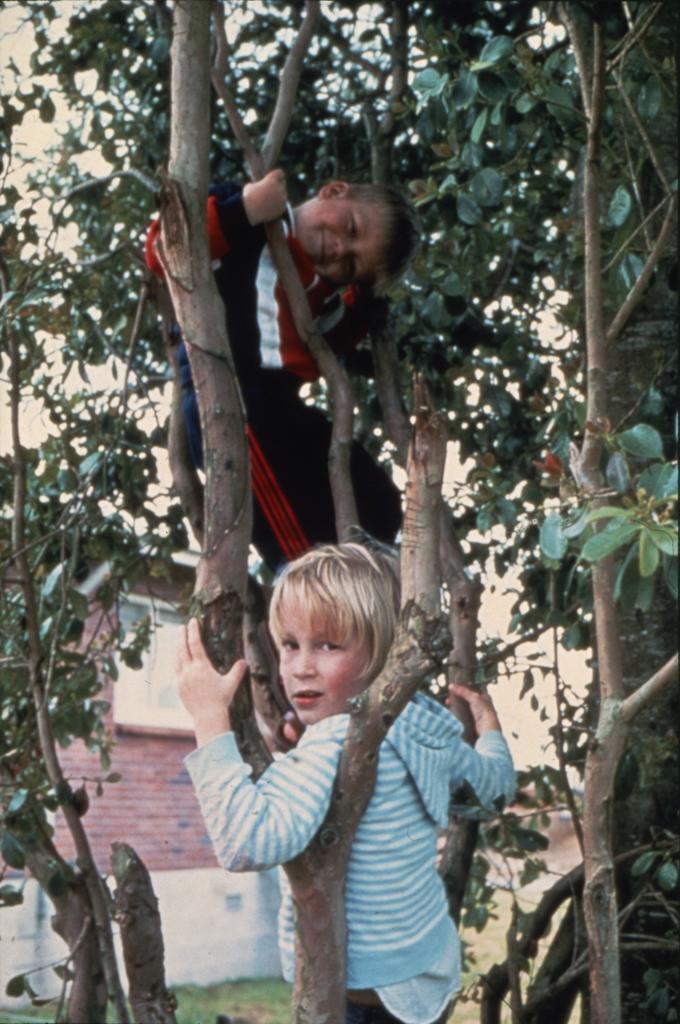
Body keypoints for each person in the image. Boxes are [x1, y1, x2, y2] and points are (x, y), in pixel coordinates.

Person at [176, 543, 515, 1024]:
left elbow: (243, 842)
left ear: (379, 651)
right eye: (290, 644)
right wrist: (492, 736)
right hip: (425, 975)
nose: (300, 667)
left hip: (358, 997)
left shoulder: (332, 741)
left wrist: (209, 718)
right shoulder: (422, 724)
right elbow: (492, 792)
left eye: (328, 645)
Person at [146, 171, 420, 572]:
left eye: (351, 263)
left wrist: (363, 305)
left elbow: (331, 344)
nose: (339, 248)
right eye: (351, 227)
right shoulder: (246, 214)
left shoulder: (322, 292)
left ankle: (370, 583)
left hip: (282, 406)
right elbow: (161, 249)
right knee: (296, 538)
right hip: (233, 399)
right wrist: (247, 208)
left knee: (378, 501)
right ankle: (306, 584)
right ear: (334, 190)